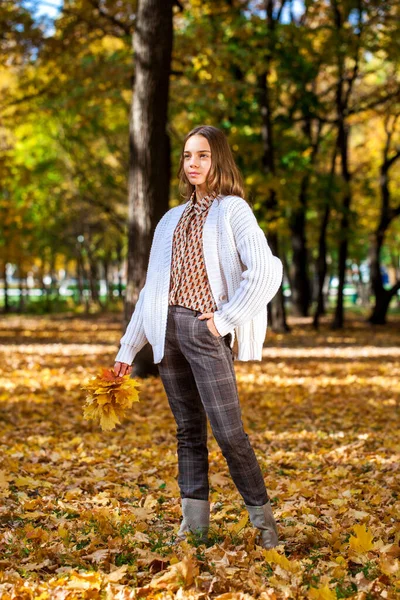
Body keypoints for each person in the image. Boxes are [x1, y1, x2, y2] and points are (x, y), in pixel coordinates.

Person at [114, 125, 283, 548]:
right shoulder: (169, 219)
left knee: (229, 433)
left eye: (203, 155)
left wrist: (223, 320)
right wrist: (127, 349)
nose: (194, 163)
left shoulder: (233, 210)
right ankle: (194, 531)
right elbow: (152, 290)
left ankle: (264, 529)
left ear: (218, 159)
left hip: (204, 330)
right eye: (188, 156)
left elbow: (266, 270)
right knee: (189, 432)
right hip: (166, 333)